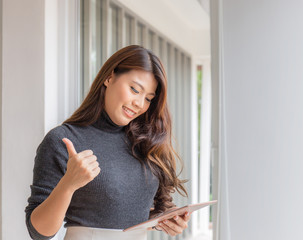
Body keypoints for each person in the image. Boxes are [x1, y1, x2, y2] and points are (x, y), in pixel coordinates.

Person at [24, 45, 191, 240]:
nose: (139, 104)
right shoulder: (64, 140)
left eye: (148, 98)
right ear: (109, 78)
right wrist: (68, 185)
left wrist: (164, 219)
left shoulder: (143, 142)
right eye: (135, 89)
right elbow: (38, 232)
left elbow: (121, 212)